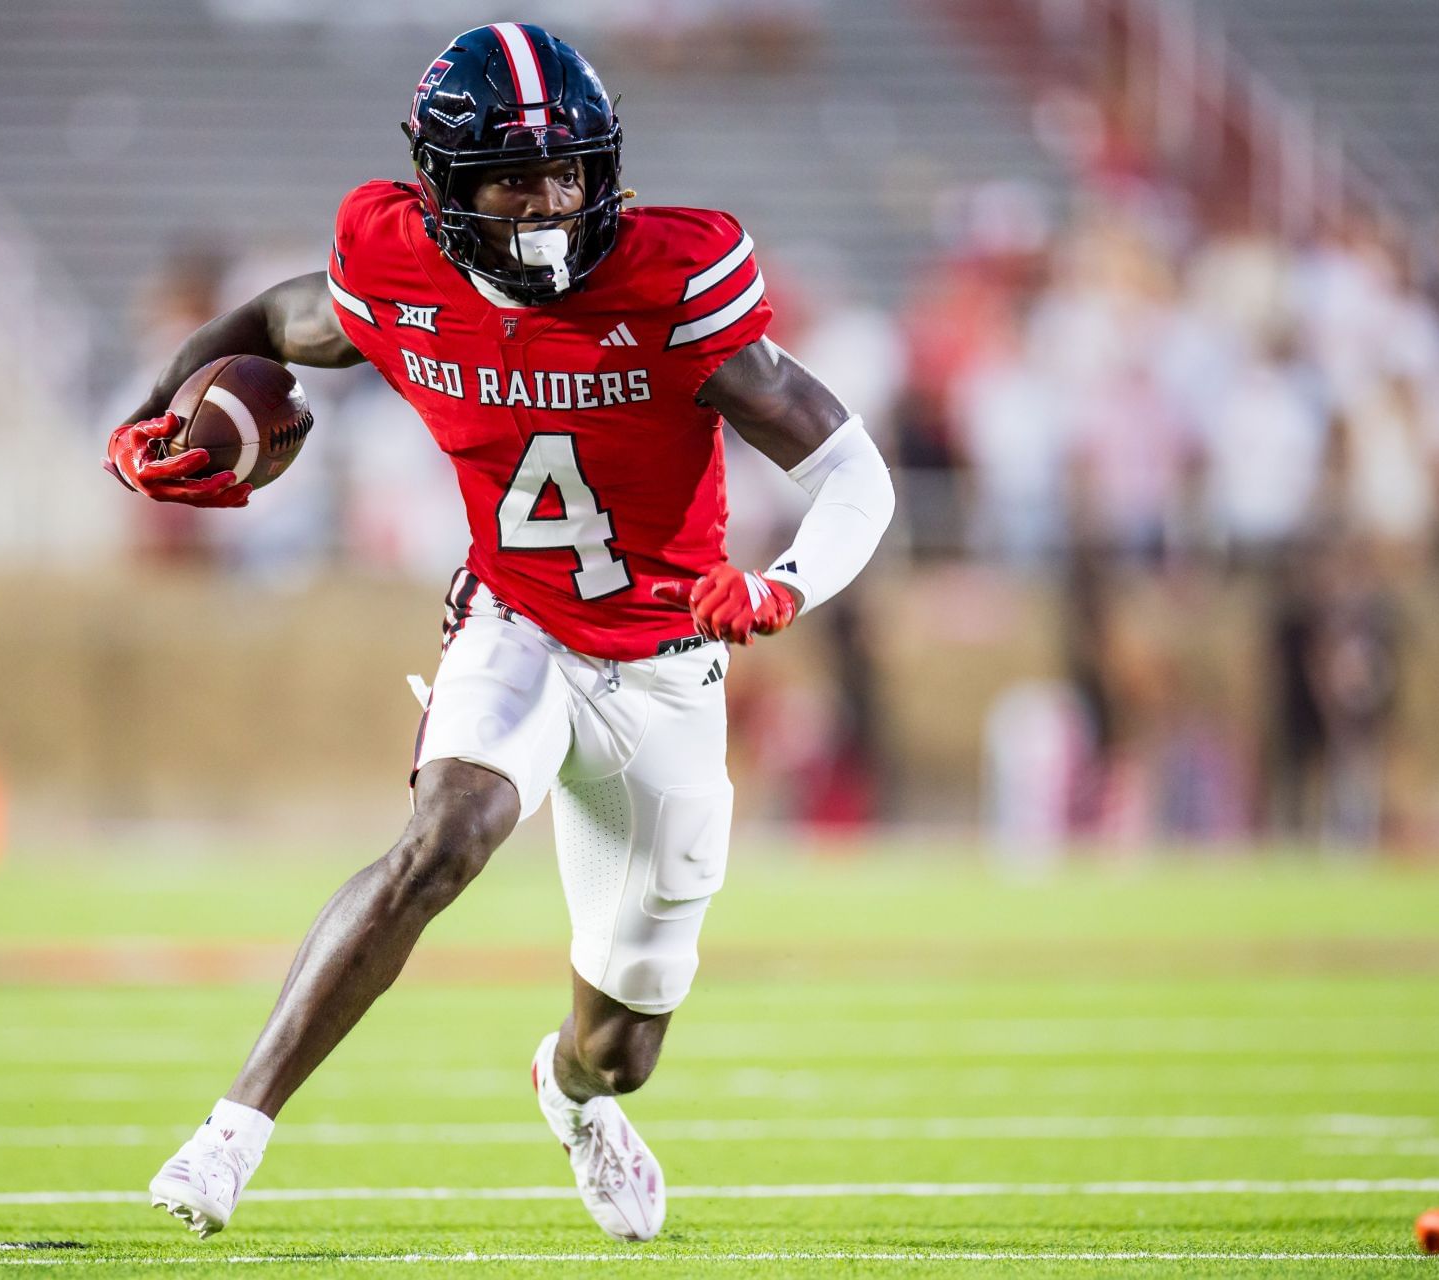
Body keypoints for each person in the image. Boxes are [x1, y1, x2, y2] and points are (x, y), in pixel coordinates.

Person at [103, 23, 894, 1244]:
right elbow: (273, 319)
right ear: (444, 190)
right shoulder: (399, 263)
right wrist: (162, 409)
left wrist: (782, 585)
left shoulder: (672, 283)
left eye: (569, 170)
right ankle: (230, 1132)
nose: (550, 200)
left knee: (622, 1044)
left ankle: (569, 1096)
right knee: (445, 837)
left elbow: (855, 473)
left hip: (670, 661)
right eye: (516, 177)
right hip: (516, 619)